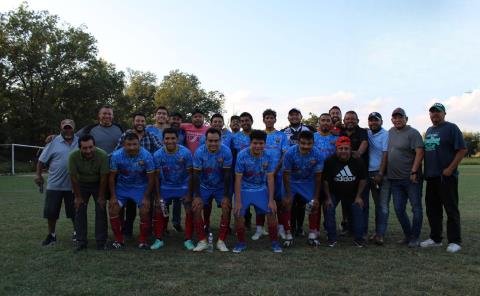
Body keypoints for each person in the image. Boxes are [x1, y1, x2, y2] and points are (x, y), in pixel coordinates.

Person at [420, 103, 467, 253]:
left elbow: (462, 149)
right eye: (432, 112)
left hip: (446, 177)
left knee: (450, 209)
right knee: (433, 209)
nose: (435, 115)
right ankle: (436, 238)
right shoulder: (429, 130)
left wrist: (450, 169)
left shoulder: (451, 128)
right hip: (432, 177)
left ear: (444, 113)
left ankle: (455, 241)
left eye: (438, 112)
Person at [233, 130, 282, 253]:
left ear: (265, 143)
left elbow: (270, 178)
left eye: (261, 143)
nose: (258, 146)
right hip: (244, 188)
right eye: (255, 143)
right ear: (250, 142)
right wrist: (238, 201)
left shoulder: (268, 155)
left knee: (271, 211)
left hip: (260, 188)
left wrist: (271, 200)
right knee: (238, 213)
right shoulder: (242, 155)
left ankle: (275, 242)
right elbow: (238, 179)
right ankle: (241, 242)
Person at [115, 113, 162, 237]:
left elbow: (160, 149)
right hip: (128, 176)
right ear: (133, 122)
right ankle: (127, 229)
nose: (140, 123)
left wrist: (149, 160)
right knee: (129, 206)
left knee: (147, 205)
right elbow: (117, 151)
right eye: (137, 121)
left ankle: (148, 231)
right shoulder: (126, 135)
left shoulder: (150, 136)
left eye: (142, 121)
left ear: (145, 123)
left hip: (145, 176)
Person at [108, 132, 155, 249]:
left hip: (140, 187)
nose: (132, 147)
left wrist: (146, 197)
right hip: (122, 188)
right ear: (124, 144)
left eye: (135, 144)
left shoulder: (146, 155)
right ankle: (119, 240)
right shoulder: (116, 155)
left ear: (139, 144)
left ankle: (143, 240)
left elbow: (151, 178)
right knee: (113, 209)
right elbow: (112, 177)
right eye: (129, 144)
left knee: (145, 210)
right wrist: (113, 196)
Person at [35, 119, 79, 246]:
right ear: (61, 128)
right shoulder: (53, 141)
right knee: (51, 212)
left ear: (74, 128)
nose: (68, 130)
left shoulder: (79, 141)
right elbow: (41, 161)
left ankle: (77, 233)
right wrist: (38, 175)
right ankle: (52, 235)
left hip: (73, 185)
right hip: (55, 185)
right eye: (65, 127)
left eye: (70, 127)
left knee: (75, 211)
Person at [151, 128, 195, 250]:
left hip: (183, 186)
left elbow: (191, 174)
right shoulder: (158, 154)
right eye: (167, 138)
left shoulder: (185, 153)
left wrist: (189, 194)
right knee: (159, 209)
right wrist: (158, 196)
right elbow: (156, 177)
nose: (170, 141)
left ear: (177, 139)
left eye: (173, 138)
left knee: (188, 209)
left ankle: (188, 239)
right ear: (163, 140)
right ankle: (159, 239)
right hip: (166, 187)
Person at [387, 107, 424, 248]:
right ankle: (408, 235)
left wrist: (414, 172)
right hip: (395, 180)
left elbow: (420, 153)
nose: (397, 120)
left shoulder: (413, 133)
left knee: (416, 208)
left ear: (406, 119)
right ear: (392, 120)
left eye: (400, 117)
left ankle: (415, 237)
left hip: (411, 179)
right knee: (398, 209)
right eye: (395, 117)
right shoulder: (390, 132)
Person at [191, 128, 233, 252]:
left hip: (220, 186)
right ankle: (202, 240)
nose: (213, 143)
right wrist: (197, 196)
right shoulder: (199, 152)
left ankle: (221, 240)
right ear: (206, 140)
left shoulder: (226, 151)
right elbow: (196, 175)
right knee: (197, 207)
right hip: (204, 186)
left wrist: (226, 196)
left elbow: (227, 175)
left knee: (226, 207)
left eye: (216, 141)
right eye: (210, 141)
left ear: (220, 140)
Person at [323, 136, 368, 247]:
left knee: (358, 208)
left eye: (346, 148)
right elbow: (325, 181)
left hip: (352, 192)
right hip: (334, 192)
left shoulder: (358, 161)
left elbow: (363, 179)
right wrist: (328, 198)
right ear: (336, 149)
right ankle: (331, 237)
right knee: (329, 208)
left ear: (350, 149)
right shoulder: (330, 160)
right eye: (340, 148)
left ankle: (359, 238)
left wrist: (358, 196)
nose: (343, 151)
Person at [251, 109, 289, 240]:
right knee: (260, 201)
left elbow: (285, 154)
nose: (269, 120)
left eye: (271, 117)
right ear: (263, 120)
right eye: (267, 117)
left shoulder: (281, 136)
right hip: (261, 175)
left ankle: (281, 228)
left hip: (277, 175)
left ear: (275, 120)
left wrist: (276, 171)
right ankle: (260, 229)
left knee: (279, 202)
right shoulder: (259, 135)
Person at [282, 131, 324, 247]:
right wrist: (289, 195)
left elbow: (318, 177)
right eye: (303, 143)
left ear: (313, 143)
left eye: (309, 143)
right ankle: (288, 234)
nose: (306, 146)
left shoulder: (318, 154)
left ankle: (312, 234)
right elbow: (286, 174)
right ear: (298, 142)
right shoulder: (290, 153)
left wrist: (316, 197)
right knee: (287, 203)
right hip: (292, 181)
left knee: (314, 204)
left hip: (308, 182)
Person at [68, 134, 109, 251]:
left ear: (95, 146)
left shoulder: (102, 155)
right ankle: (81, 241)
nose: (88, 150)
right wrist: (78, 197)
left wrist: (101, 196)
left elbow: (104, 177)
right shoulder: (73, 156)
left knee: (100, 208)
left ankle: (101, 241)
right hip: (82, 184)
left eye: (91, 147)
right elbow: (73, 177)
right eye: (84, 148)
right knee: (79, 208)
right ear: (79, 148)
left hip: (98, 183)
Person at [281, 108, 315, 237]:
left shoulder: (309, 129)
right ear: (288, 118)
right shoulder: (284, 132)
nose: (294, 117)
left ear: (301, 116)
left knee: (302, 202)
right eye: (292, 115)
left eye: (297, 115)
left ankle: (300, 226)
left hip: (306, 171)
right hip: (291, 170)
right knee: (291, 201)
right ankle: (291, 226)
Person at [199, 113, 234, 232]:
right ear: (211, 123)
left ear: (223, 123)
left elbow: (233, 151)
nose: (217, 123)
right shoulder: (203, 138)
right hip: (207, 175)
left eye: (220, 121)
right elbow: (202, 154)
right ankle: (206, 223)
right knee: (206, 203)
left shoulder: (229, 136)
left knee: (226, 203)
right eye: (215, 121)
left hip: (223, 172)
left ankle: (225, 225)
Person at [340, 110, 369, 236]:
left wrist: (358, 153)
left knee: (362, 202)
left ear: (357, 121)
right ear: (344, 121)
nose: (350, 121)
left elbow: (364, 143)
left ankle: (362, 230)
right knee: (346, 203)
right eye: (348, 119)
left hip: (360, 173)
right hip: (345, 175)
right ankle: (348, 228)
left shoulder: (362, 132)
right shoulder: (341, 132)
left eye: (353, 119)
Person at [367, 112, 390, 245]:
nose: (373, 123)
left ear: (381, 121)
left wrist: (380, 173)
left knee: (382, 205)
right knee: (375, 205)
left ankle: (380, 235)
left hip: (380, 173)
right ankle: (376, 232)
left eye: (376, 120)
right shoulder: (368, 133)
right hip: (367, 173)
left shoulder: (385, 134)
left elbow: (385, 154)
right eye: (371, 120)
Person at [231, 112, 255, 229]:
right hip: (240, 172)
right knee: (240, 197)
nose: (245, 123)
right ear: (240, 123)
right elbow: (233, 154)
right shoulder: (235, 137)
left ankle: (259, 225)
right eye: (243, 121)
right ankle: (242, 221)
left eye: (247, 120)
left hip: (256, 172)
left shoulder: (257, 135)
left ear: (252, 121)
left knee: (257, 196)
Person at [168, 111, 186, 232]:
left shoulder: (183, 132)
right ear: (169, 119)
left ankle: (176, 222)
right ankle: (163, 223)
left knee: (178, 199)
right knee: (164, 198)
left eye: (178, 119)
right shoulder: (165, 130)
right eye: (173, 118)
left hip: (180, 167)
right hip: (166, 167)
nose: (175, 121)